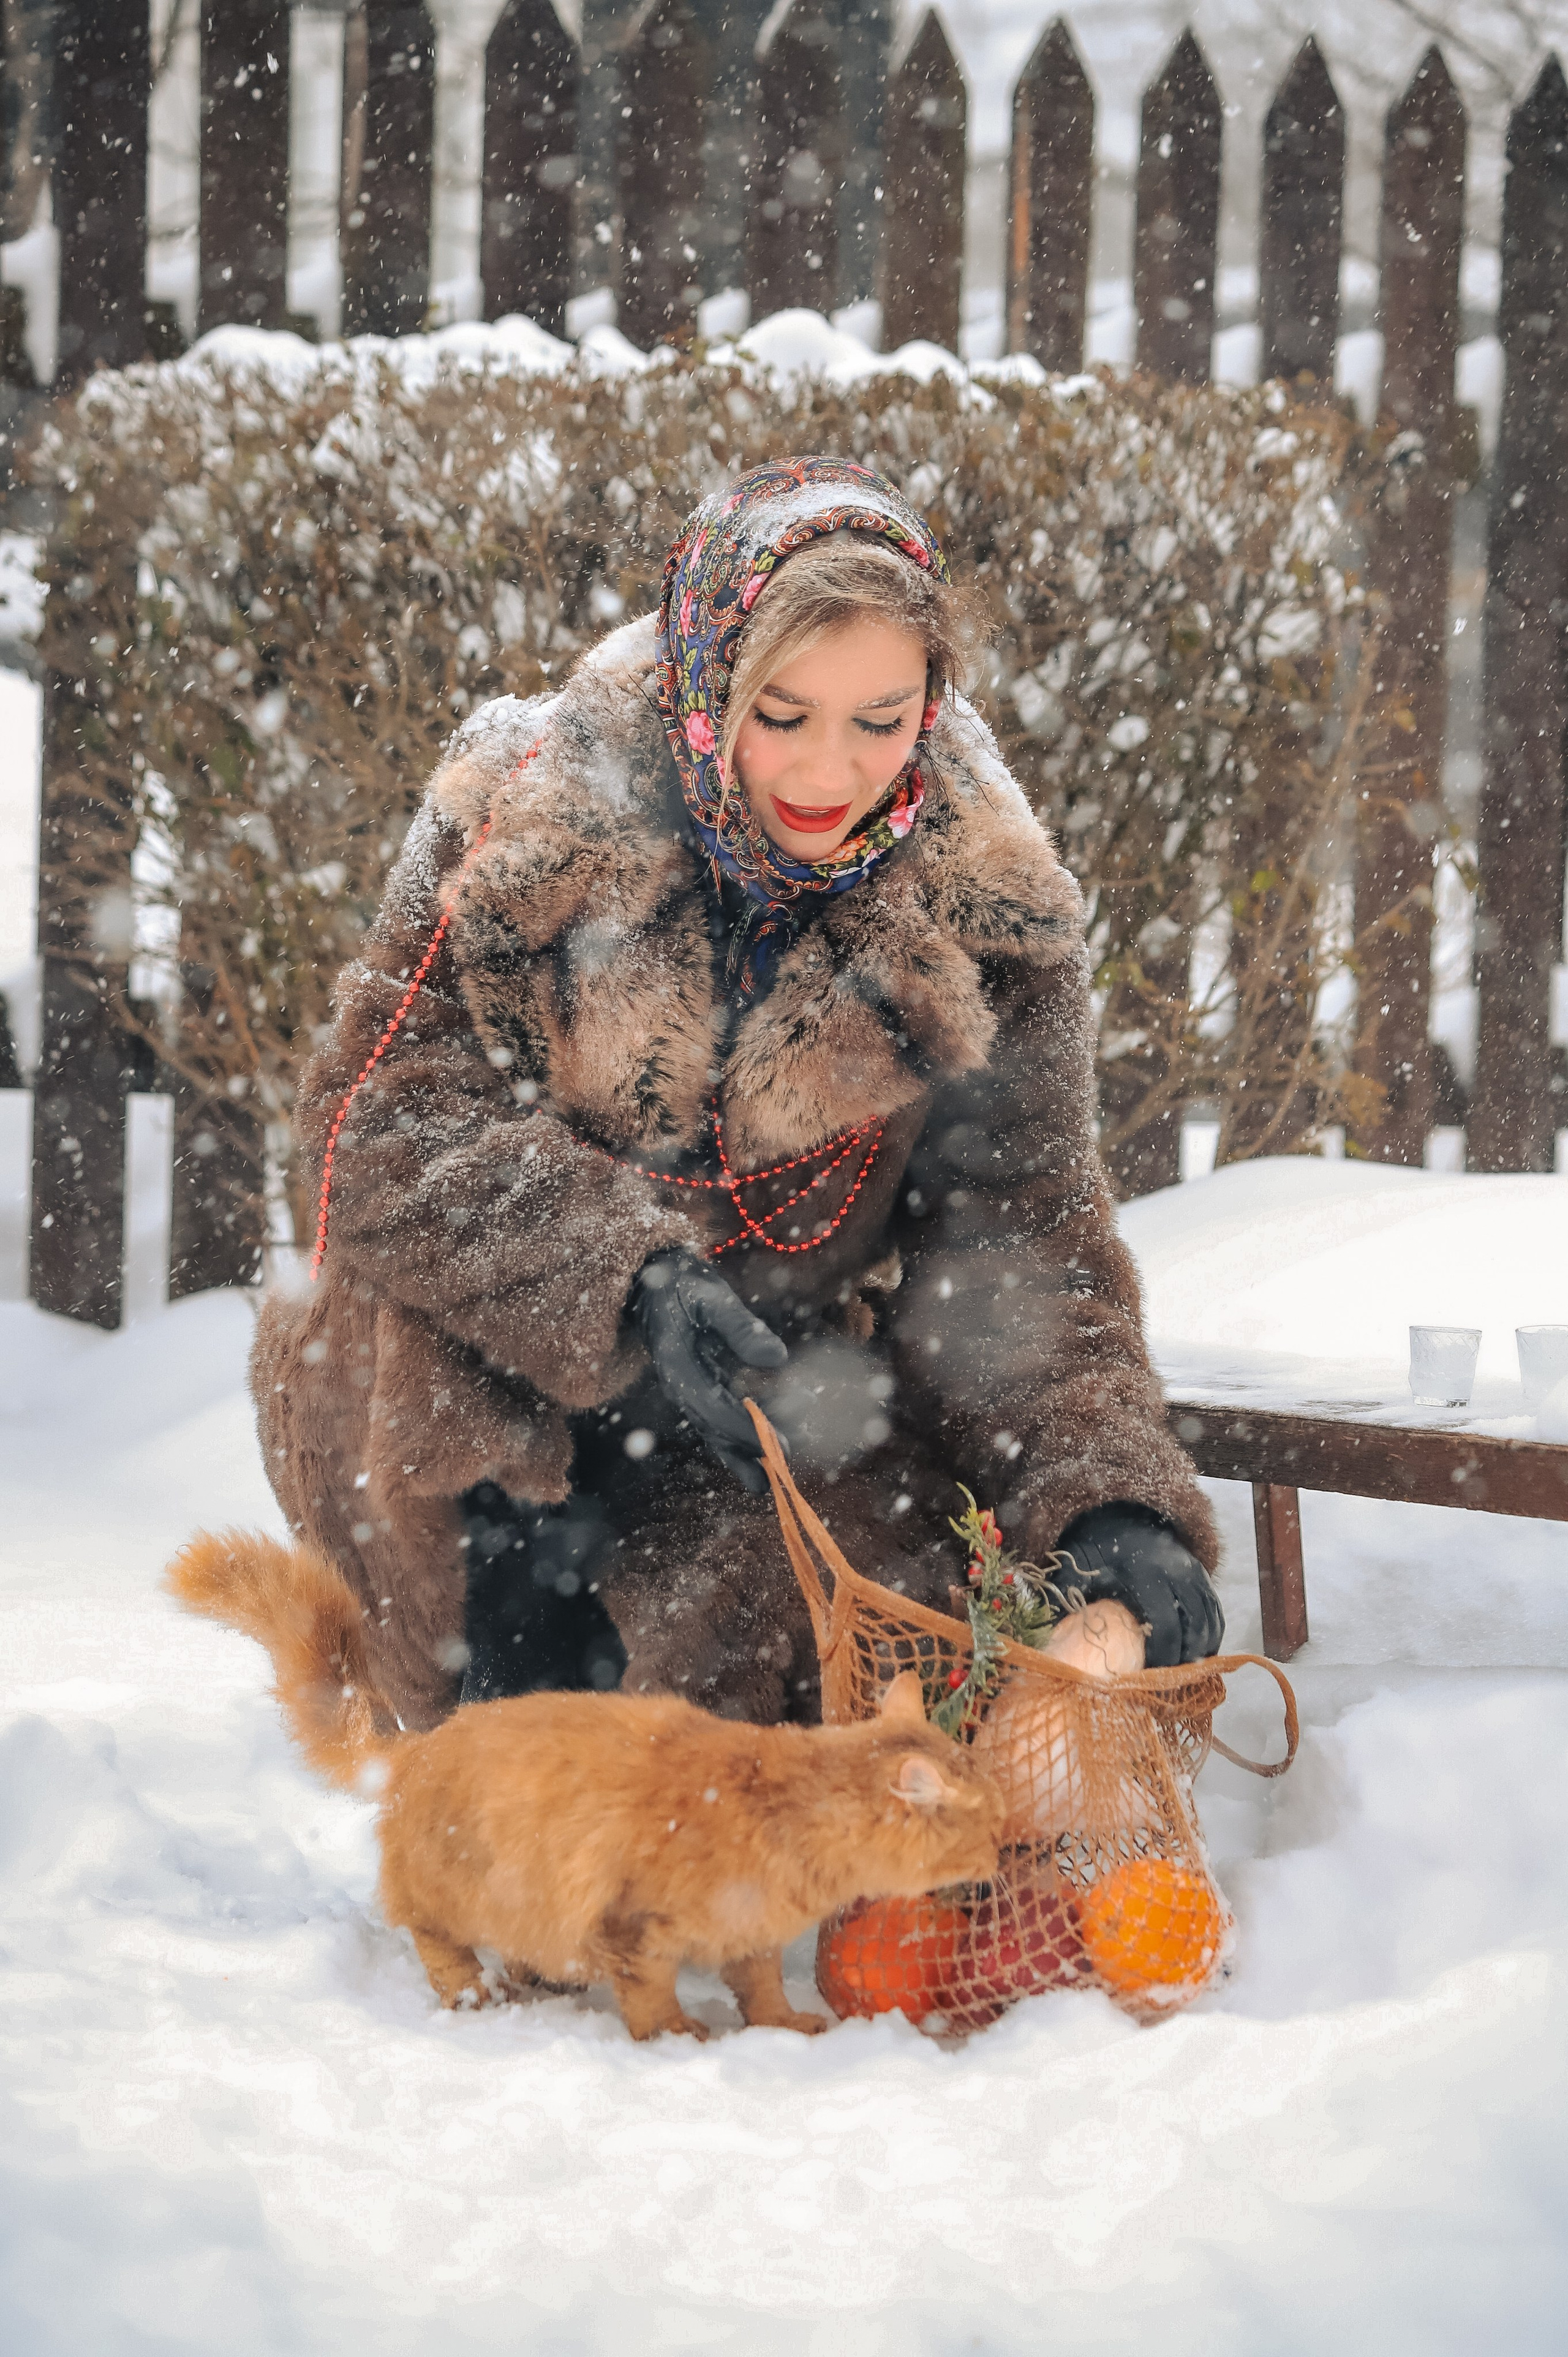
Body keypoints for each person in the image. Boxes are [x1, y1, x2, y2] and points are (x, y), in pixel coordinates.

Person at [254, 456, 1222, 1732]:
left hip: (761, 1397)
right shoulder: (521, 809)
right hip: (481, 1372)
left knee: (843, 1700)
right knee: (513, 1687)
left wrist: (1107, 1499)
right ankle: (489, 1734)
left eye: (881, 718)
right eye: (784, 711)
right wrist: (627, 1281)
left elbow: (1017, 1250)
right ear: (709, 677)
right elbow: (371, 1127)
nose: (831, 769)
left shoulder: (983, 905)